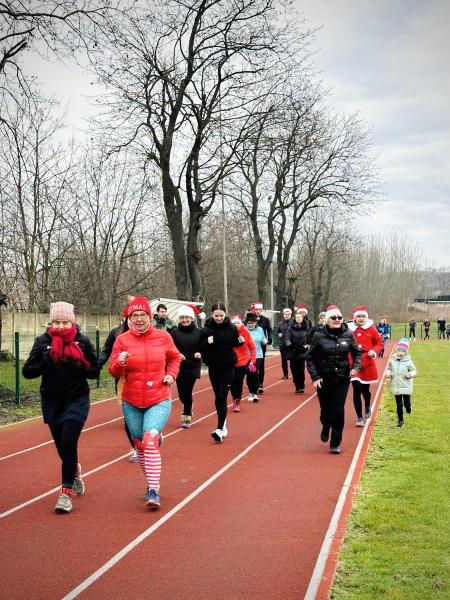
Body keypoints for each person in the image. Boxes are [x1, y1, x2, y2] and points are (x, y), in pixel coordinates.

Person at [22, 302, 100, 513]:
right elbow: (27, 372)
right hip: (52, 400)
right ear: (51, 322)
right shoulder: (42, 341)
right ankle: (73, 471)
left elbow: (94, 372)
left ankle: (65, 493)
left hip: (77, 399)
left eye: (65, 322)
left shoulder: (82, 341)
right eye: (56, 322)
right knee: (62, 447)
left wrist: (81, 364)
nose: (60, 326)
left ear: (72, 322)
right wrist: (44, 362)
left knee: (68, 441)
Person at [109, 297, 181, 509]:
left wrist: (171, 375)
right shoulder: (122, 340)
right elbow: (112, 370)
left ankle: (153, 489)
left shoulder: (163, 336)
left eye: (142, 315)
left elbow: (175, 358)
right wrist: (120, 363)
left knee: (149, 441)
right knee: (140, 444)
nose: (139, 319)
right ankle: (150, 480)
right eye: (134, 316)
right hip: (131, 400)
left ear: (149, 317)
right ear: (129, 319)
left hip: (158, 397)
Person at [306, 305, 361, 454]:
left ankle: (335, 442)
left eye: (339, 317)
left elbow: (357, 352)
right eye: (333, 318)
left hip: (342, 378)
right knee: (325, 410)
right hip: (323, 378)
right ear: (327, 320)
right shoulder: (318, 335)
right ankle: (325, 425)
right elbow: (309, 357)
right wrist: (315, 377)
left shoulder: (348, 334)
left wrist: (355, 367)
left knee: (338, 409)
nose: (336, 320)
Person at [99, 301, 138, 462]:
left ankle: (152, 432)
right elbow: (107, 350)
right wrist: (98, 364)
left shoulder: (146, 334)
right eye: (128, 317)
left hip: (143, 380)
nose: (132, 320)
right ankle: (136, 447)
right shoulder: (116, 333)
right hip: (122, 378)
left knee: (145, 413)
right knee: (128, 415)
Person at [200, 302, 243, 443]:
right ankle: (223, 425)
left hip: (228, 365)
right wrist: (209, 342)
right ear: (212, 315)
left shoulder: (231, 328)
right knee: (217, 397)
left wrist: (241, 341)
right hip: (214, 366)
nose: (218, 318)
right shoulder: (206, 329)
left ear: (225, 314)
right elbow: (201, 346)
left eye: (221, 315)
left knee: (222, 395)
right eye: (216, 315)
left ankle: (219, 429)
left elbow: (236, 343)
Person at [348, 306, 383, 426]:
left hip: (367, 361)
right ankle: (359, 417)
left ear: (366, 317)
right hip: (353, 361)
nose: (361, 318)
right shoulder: (349, 329)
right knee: (356, 389)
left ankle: (367, 405)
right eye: (359, 316)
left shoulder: (371, 328)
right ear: (355, 317)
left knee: (365, 390)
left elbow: (379, 342)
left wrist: (374, 351)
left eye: (363, 316)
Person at [170, 305, 203, 428]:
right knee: (181, 394)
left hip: (193, 365)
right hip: (179, 366)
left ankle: (186, 415)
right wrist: (177, 354)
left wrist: (201, 353)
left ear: (191, 318)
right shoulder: (174, 332)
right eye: (182, 317)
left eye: (187, 317)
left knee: (187, 391)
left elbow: (205, 347)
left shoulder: (199, 332)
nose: (184, 320)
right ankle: (188, 405)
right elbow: (170, 347)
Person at [385, 338, 417, 427]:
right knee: (399, 404)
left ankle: (408, 407)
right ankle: (400, 420)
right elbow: (389, 369)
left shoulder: (408, 361)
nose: (401, 352)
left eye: (403, 351)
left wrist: (409, 374)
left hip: (406, 385)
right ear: (396, 350)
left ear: (406, 352)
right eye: (399, 350)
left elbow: (414, 371)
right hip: (396, 385)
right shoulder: (392, 360)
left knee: (406, 403)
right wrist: (388, 373)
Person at [230, 314, 257, 412]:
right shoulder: (228, 333)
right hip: (230, 362)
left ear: (241, 324)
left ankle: (237, 400)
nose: (236, 325)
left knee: (239, 380)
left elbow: (253, 348)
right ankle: (234, 396)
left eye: (238, 323)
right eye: (234, 323)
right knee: (231, 382)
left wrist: (253, 361)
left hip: (242, 362)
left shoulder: (245, 333)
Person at [250, 302, 272, 393]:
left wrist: (268, 340)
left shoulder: (266, 320)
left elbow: (270, 330)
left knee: (261, 365)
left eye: (260, 310)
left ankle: (260, 384)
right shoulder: (250, 319)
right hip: (250, 346)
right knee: (251, 365)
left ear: (262, 310)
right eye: (257, 310)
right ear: (254, 310)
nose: (258, 311)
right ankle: (253, 382)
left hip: (261, 346)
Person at [244, 312, 266, 401]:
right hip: (247, 356)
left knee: (254, 372)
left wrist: (264, 341)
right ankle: (251, 392)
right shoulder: (244, 330)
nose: (250, 325)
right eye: (248, 323)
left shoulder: (260, 329)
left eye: (252, 323)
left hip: (258, 355)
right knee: (249, 374)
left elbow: (263, 338)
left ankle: (254, 392)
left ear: (255, 323)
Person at [285, 309, 309, 393]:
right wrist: (290, 345)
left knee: (301, 369)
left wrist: (306, 346)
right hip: (293, 350)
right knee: (294, 369)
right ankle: (297, 386)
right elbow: (287, 338)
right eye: (297, 317)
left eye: (300, 317)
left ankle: (301, 385)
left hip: (302, 351)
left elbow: (309, 338)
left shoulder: (306, 327)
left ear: (302, 318)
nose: (299, 318)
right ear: (295, 318)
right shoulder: (290, 328)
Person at [276, 308, 293, 379]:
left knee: (292, 359)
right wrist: (279, 334)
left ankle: (294, 373)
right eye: (285, 314)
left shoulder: (293, 323)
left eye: (288, 314)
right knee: (284, 360)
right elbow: (278, 331)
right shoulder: (280, 324)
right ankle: (285, 374)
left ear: (290, 315)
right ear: (283, 315)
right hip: (282, 344)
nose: (287, 316)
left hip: (291, 344)